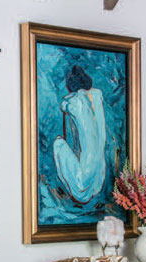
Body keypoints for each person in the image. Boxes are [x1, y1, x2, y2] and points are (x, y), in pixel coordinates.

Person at [53, 64, 107, 206]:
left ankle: (72, 190)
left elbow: (64, 106)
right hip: (98, 180)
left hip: (82, 183)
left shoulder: (74, 102)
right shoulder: (97, 96)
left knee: (58, 142)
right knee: (90, 148)